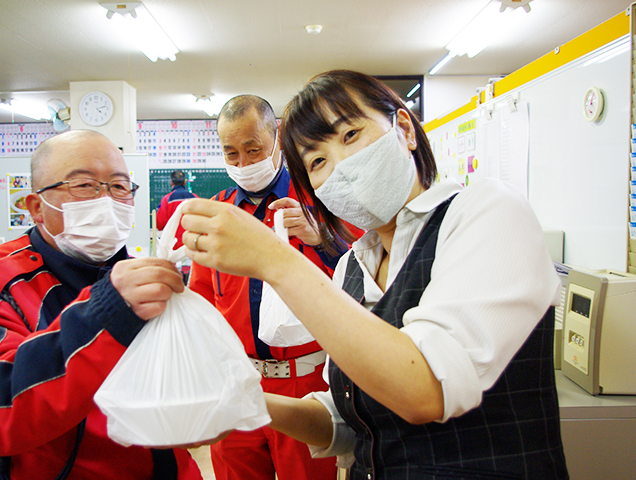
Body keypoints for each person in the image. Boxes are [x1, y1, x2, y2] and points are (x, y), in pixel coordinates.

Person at [180, 71, 569, 479]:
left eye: (350, 135)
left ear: (404, 128)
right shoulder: (352, 267)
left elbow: (425, 391)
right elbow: (350, 422)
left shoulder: (485, 212)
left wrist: (276, 261)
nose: (340, 166)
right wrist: (246, 404)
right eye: (317, 161)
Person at [0, 130, 203, 480]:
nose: (107, 200)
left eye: (119, 187)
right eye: (84, 186)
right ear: (36, 207)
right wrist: (106, 312)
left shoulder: (139, 278)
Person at [187, 95, 342, 480]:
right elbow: (201, 302)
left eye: (253, 150)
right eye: (231, 153)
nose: (242, 164)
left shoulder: (322, 202)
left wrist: (322, 239)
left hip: (305, 381)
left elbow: (364, 280)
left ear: (278, 138)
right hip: (237, 380)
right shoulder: (218, 213)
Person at [156, 170, 198, 251]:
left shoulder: (167, 199)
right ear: (185, 182)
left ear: (171, 183)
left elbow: (159, 224)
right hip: (192, 246)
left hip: (173, 247)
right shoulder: (195, 199)